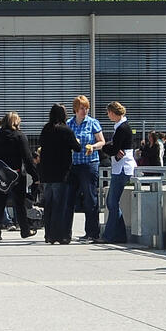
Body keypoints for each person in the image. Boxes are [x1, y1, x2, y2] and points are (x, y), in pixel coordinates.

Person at [0, 112, 38, 242]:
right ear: (16, 122)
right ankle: (25, 230)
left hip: (2, 174)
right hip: (16, 174)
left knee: (0, 203)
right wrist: (35, 175)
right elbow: (27, 158)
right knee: (19, 203)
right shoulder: (20, 136)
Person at [37, 104, 82, 243]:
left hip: (47, 173)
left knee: (49, 205)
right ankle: (60, 235)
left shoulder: (46, 128)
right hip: (61, 173)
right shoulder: (66, 130)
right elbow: (77, 147)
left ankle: (48, 235)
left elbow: (41, 145)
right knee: (60, 205)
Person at [64, 95, 105, 243]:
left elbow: (102, 141)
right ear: (76, 109)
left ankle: (92, 232)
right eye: (82, 108)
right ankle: (65, 232)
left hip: (89, 164)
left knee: (89, 198)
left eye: (87, 107)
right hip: (73, 165)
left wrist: (93, 147)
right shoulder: (69, 124)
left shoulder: (93, 123)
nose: (85, 110)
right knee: (69, 198)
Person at [102, 102, 135, 244]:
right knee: (113, 202)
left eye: (109, 112)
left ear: (113, 113)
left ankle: (109, 235)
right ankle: (120, 235)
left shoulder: (121, 128)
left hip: (121, 168)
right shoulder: (123, 126)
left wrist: (105, 146)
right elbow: (115, 148)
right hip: (122, 166)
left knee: (112, 202)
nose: (108, 115)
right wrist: (112, 148)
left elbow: (114, 148)